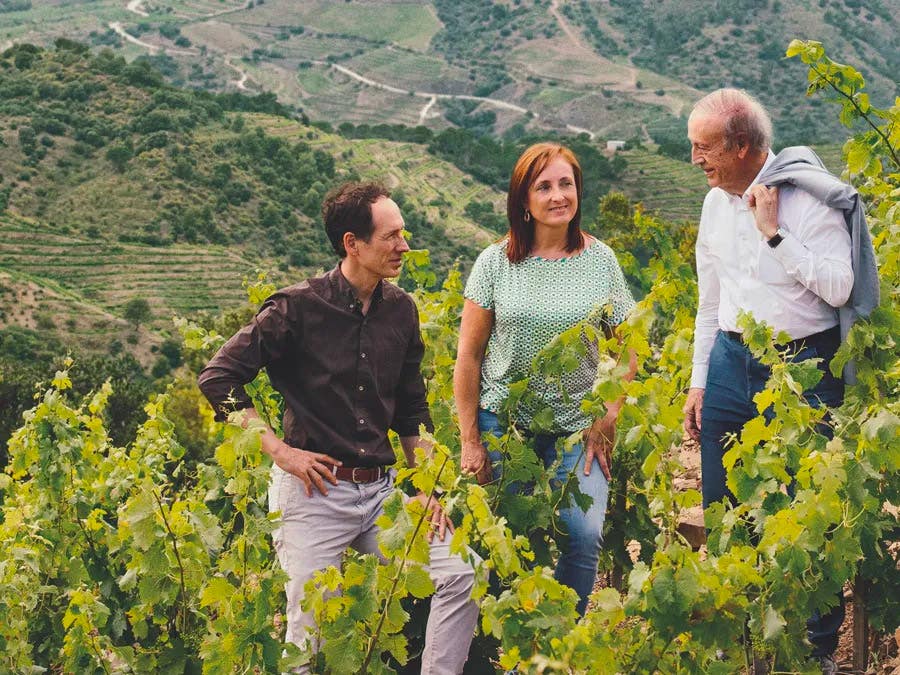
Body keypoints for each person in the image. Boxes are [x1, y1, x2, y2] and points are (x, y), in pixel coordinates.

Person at [198, 182, 478, 675]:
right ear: (353, 243)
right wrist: (281, 452)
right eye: (391, 237)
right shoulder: (295, 308)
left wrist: (426, 486)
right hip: (312, 496)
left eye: (403, 234)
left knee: (461, 574)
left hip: (382, 496)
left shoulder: (401, 310)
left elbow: (411, 410)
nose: (404, 246)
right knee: (307, 637)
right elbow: (217, 378)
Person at [682, 88, 877, 674]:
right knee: (723, 506)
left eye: (703, 147)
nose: (695, 159)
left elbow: (841, 288)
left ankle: (815, 653)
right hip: (729, 366)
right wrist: (698, 380)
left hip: (805, 369)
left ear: (741, 146)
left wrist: (775, 234)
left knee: (811, 511)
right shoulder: (715, 204)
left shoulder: (809, 201)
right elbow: (709, 301)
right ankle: (737, 641)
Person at [453, 142, 636, 616]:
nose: (558, 196)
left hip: (580, 426)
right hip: (505, 427)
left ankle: (558, 644)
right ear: (524, 201)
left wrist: (608, 415)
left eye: (566, 184)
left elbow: (627, 348)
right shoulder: (495, 263)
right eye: (544, 186)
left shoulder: (601, 261)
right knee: (512, 539)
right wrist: (471, 439)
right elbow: (469, 357)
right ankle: (510, 651)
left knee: (583, 532)